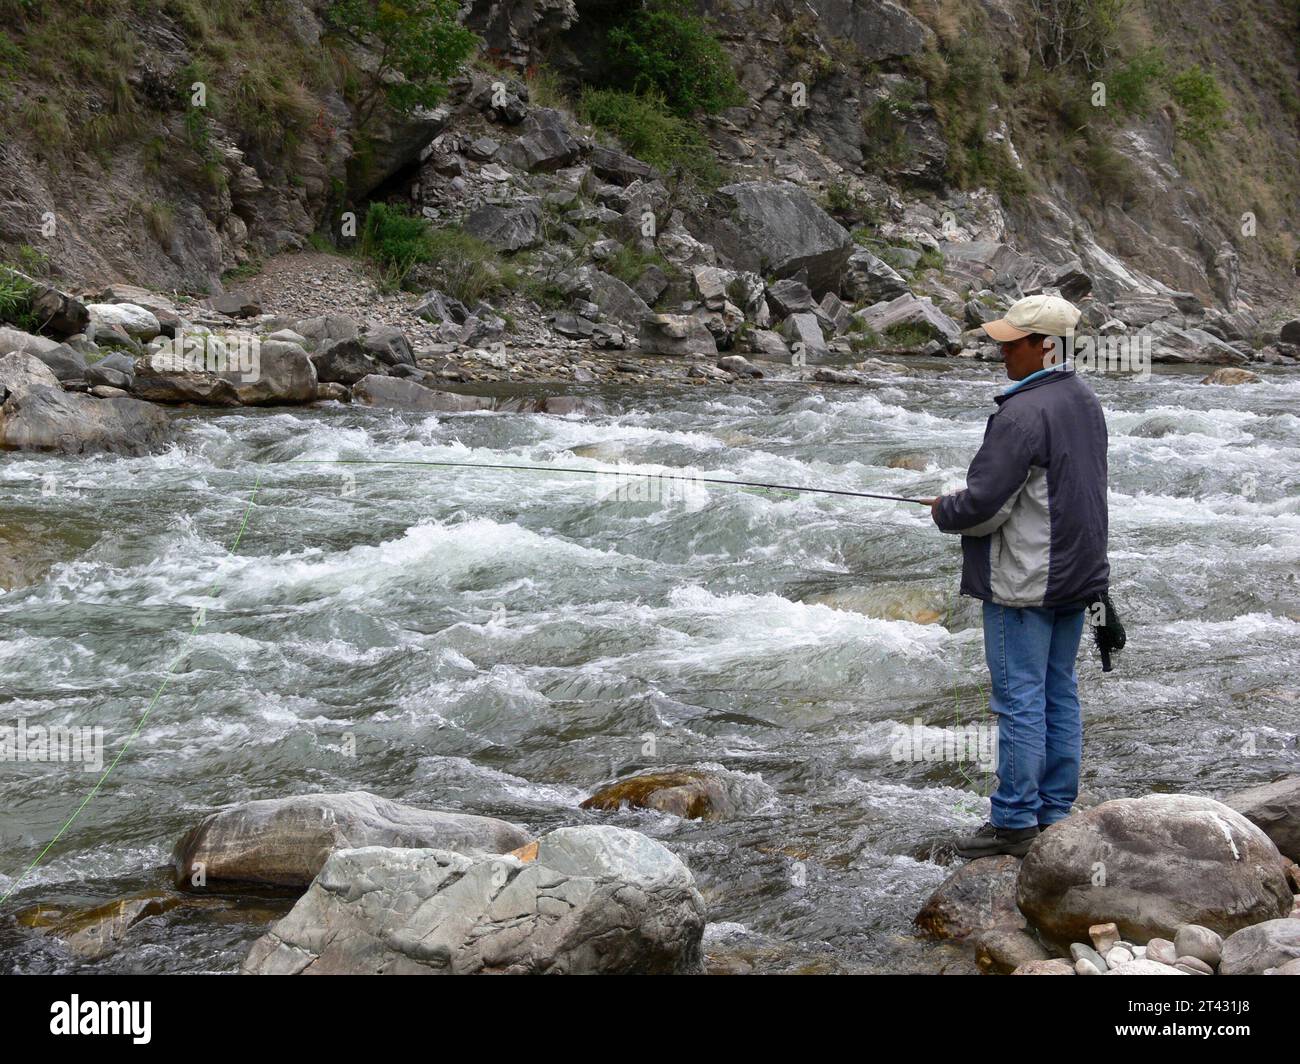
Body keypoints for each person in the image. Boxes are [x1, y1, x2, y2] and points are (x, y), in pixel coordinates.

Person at [926, 294, 1110, 858]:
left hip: (1025, 580)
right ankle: (1056, 813)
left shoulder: (1021, 413)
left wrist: (944, 509)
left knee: (1020, 701)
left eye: (1013, 342)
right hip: (1076, 578)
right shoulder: (1083, 399)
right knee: (1058, 692)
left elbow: (985, 505)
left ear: (1046, 346)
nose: (1002, 350)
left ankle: (1012, 823)